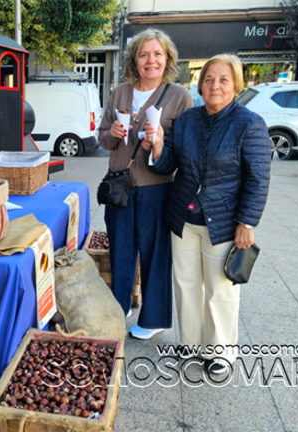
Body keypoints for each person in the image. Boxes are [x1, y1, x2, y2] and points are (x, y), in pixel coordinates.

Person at [150, 54, 272, 374]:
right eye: (208, 79)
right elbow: (167, 167)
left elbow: (258, 179)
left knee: (220, 289)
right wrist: (159, 146)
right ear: (200, 84)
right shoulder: (188, 120)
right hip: (184, 220)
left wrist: (247, 222)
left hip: (224, 222)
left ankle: (220, 352)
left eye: (223, 79)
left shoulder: (249, 124)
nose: (215, 85)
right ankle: (191, 344)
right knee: (186, 284)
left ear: (236, 86)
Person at [97, 28, 192, 340]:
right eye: (144, 54)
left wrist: (158, 143)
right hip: (119, 184)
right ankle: (119, 306)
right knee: (121, 250)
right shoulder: (119, 92)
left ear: (167, 60)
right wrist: (112, 133)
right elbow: (103, 140)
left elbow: (183, 150)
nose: (151, 60)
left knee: (155, 253)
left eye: (157, 54)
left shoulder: (179, 96)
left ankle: (154, 319)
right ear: (134, 60)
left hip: (157, 187)